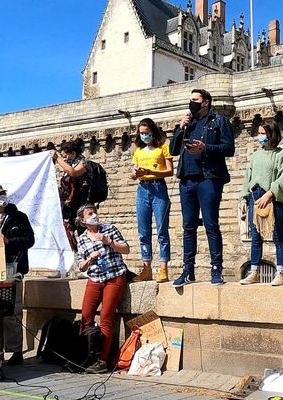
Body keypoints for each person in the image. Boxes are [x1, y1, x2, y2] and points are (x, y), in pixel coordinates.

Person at [169, 88, 235, 287]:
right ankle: (188, 270)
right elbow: (172, 150)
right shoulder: (188, 124)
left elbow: (229, 148)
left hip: (209, 178)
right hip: (187, 179)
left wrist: (204, 148)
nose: (192, 103)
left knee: (210, 224)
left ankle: (216, 269)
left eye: (195, 100)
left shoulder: (219, 121)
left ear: (205, 102)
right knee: (188, 226)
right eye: (190, 100)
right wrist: (180, 128)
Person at [0, 184, 35, 366]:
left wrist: (9, 241)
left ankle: (15, 351)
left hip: (13, 269)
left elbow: (29, 240)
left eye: (3, 193)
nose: (1, 197)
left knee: (13, 311)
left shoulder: (19, 218)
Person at [76, 203, 129, 373]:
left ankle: (102, 360)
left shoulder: (110, 229)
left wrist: (109, 241)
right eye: (89, 213)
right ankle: (85, 354)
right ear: (83, 220)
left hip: (114, 277)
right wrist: (90, 258)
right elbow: (81, 265)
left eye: (94, 212)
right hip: (95, 277)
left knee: (106, 317)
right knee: (86, 316)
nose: (94, 215)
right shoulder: (82, 238)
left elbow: (126, 249)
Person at [239, 120, 283, 286]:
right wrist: (244, 198)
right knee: (255, 236)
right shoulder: (256, 155)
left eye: (263, 133)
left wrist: (270, 194)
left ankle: (281, 272)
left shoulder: (281, 154)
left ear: (271, 134)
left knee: (277, 235)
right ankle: (254, 271)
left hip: (271, 197)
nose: (259, 136)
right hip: (255, 197)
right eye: (259, 133)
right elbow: (248, 178)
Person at [130, 118, 173, 283]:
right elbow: (132, 173)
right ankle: (146, 267)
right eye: (141, 133)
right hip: (143, 189)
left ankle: (163, 268)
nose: (144, 136)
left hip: (158, 188)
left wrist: (151, 172)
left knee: (162, 230)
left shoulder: (163, 148)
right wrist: (136, 174)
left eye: (146, 133)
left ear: (153, 132)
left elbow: (169, 171)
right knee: (143, 231)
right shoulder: (139, 151)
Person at [49, 140, 90, 277]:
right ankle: (65, 267)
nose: (63, 156)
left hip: (81, 206)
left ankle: (86, 267)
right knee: (66, 235)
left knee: (84, 234)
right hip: (67, 206)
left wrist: (58, 158)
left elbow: (72, 172)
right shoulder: (69, 164)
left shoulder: (83, 163)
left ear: (72, 153)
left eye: (65, 154)